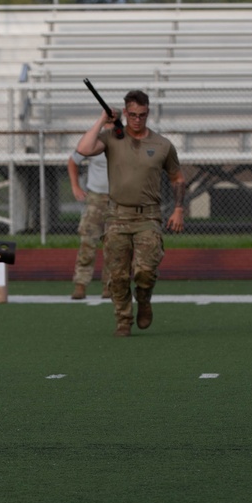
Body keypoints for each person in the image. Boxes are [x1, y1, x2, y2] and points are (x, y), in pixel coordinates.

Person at [75, 90, 186, 337]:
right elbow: (82, 149)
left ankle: (144, 298)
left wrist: (178, 209)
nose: (137, 120)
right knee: (118, 274)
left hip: (148, 216)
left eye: (142, 115)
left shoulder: (162, 145)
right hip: (117, 216)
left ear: (148, 113)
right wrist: (102, 119)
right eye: (133, 115)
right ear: (125, 113)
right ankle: (123, 320)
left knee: (146, 270)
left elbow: (177, 178)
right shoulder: (111, 138)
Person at [67, 150, 111, 300]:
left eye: (114, 123)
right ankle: (81, 284)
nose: (111, 125)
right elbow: (73, 161)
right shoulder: (93, 143)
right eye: (108, 123)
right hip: (95, 198)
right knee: (87, 243)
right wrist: (75, 186)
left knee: (116, 246)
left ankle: (109, 286)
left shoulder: (128, 141)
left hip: (120, 199)